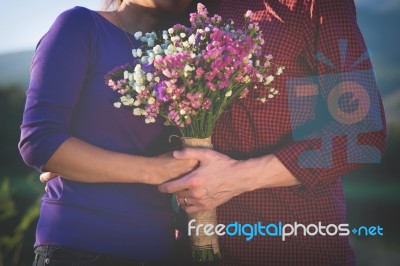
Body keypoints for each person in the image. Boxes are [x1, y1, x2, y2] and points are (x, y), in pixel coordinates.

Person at [158, 0, 387, 265]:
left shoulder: (311, 4)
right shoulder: (185, 8)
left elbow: (360, 132)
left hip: (292, 246)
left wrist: (234, 179)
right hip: (187, 246)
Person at [18, 0, 198, 265]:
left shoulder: (190, 56)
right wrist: (152, 171)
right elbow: (40, 142)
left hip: (159, 249)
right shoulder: (80, 26)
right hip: (77, 248)